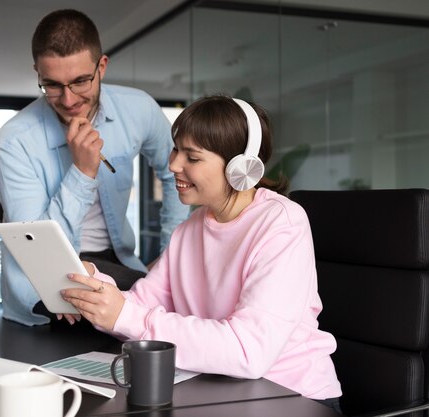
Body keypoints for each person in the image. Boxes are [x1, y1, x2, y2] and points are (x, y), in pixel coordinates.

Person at [60, 95, 343, 409]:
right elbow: (141, 306)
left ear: (241, 168)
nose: (173, 165)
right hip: (222, 389)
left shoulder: (282, 223)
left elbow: (247, 350)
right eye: (175, 149)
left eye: (191, 157)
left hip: (293, 397)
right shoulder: (191, 228)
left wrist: (127, 316)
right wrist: (96, 288)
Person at [0, 9, 190, 326]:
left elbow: (176, 172)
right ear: (37, 73)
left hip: (117, 261)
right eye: (52, 85)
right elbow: (36, 249)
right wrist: (83, 173)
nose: (68, 99)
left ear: (102, 67)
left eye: (80, 81)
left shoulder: (138, 109)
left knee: (174, 308)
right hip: (40, 276)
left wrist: (170, 254)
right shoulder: (13, 141)